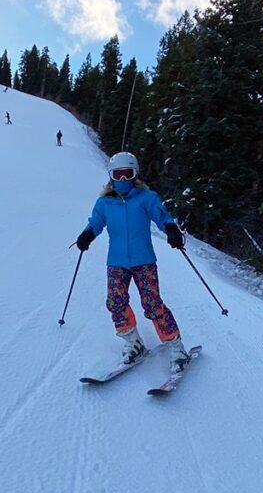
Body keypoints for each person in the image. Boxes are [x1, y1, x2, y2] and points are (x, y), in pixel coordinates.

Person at [75, 151, 190, 373]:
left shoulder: (147, 197)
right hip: (116, 263)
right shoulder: (104, 202)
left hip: (144, 260)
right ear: (111, 176)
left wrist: (171, 229)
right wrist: (87, 235)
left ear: (135, 173)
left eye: (127, 174)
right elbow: (95, 223)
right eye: (118, 174)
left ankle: (176, 347)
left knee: (153, 304)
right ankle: (133, 343)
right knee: (115, 303)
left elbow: (162, 217)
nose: (122, 179)